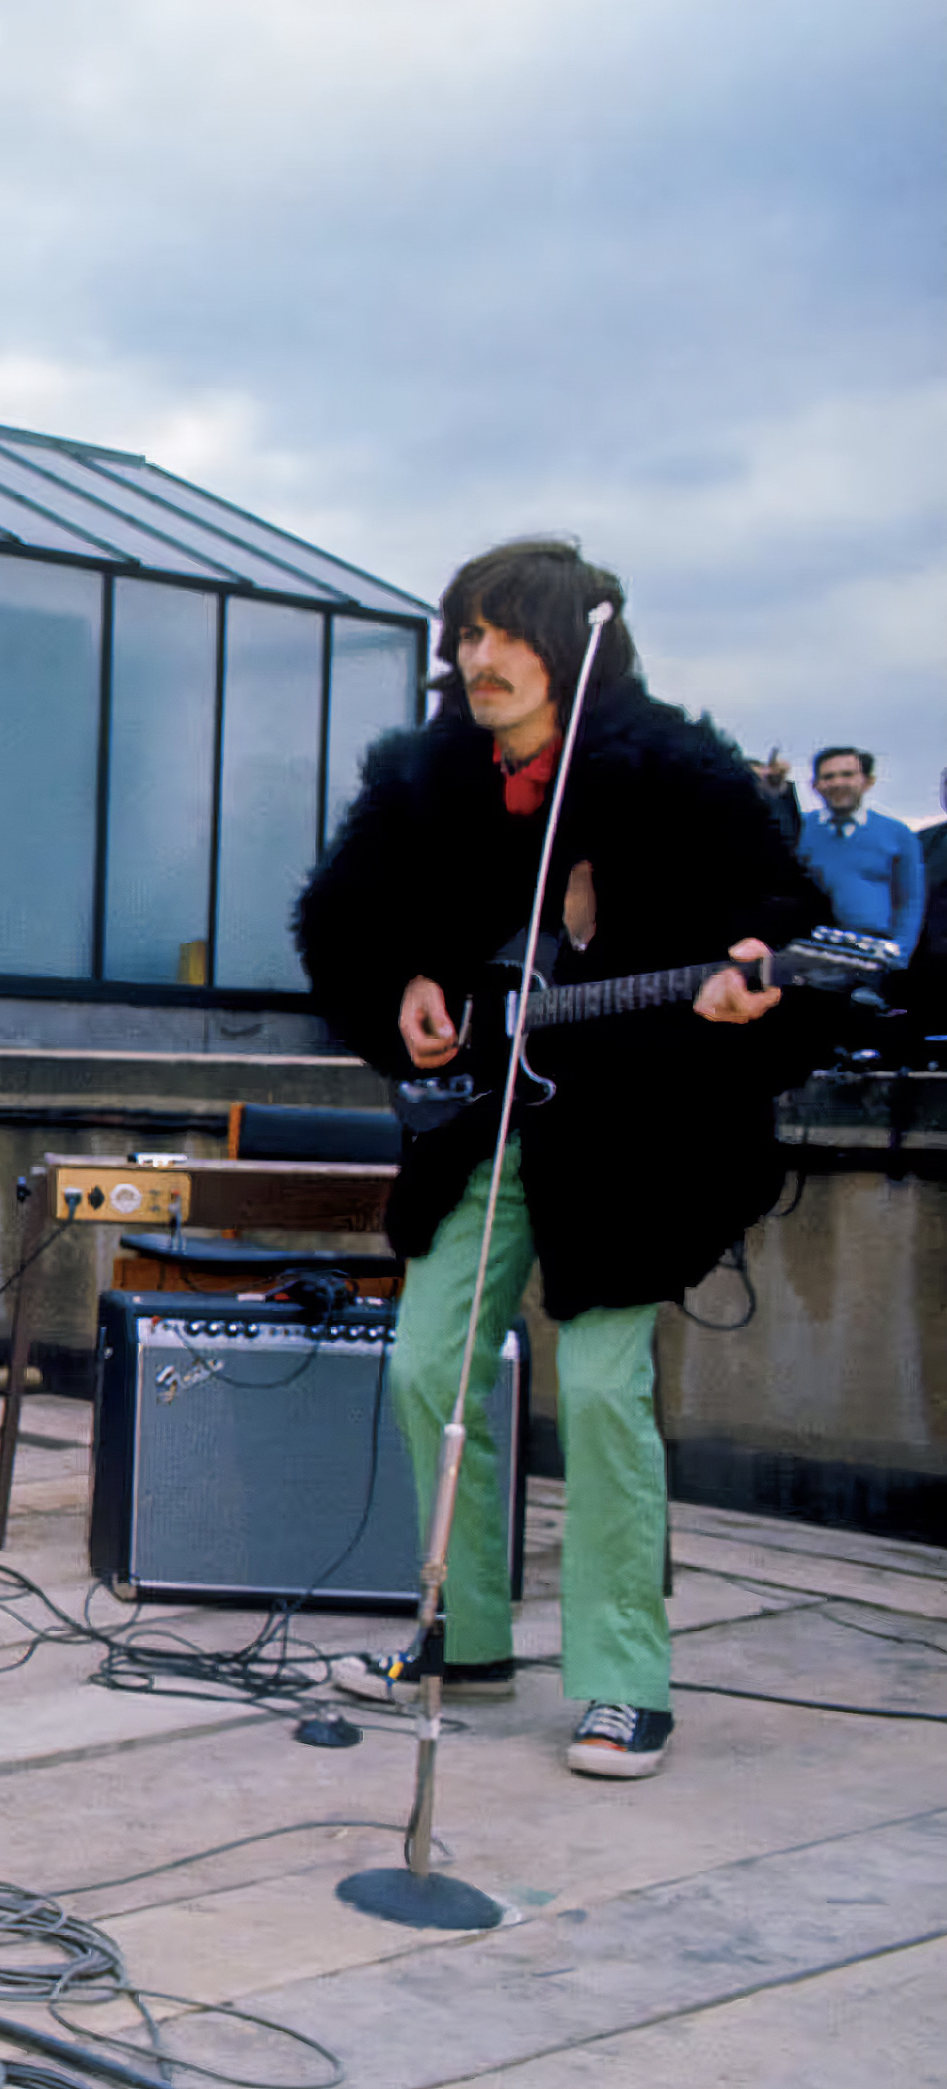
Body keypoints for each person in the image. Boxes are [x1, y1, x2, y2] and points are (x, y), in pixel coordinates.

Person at [295, 539, 824, 1784]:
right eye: (464, 634)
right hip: (482, 1124)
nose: (475, 657)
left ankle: (623, 1678)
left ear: (569, 644)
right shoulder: (423, 775)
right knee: (425, 1366)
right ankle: (462, 1637)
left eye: (502, 632)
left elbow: (785, 916)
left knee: (596, 1391)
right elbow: (341, 919)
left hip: (630, 1140)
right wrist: (403, 983)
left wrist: (751, 979)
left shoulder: (675, 772)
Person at [792, 746, 923, 963]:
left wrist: (901, 951)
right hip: (809, 949)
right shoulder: (798, 829)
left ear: (867, 781)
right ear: (815, 785)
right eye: (828, 777)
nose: (838, 783)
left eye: (847, 775)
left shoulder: (898, 834)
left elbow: (911, 900)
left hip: (874, 953)